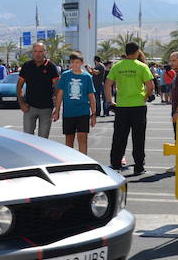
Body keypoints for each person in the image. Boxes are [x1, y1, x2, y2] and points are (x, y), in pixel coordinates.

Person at [105, 42, 154, 175]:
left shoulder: (117, 66)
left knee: (119, 137)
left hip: (121, 106)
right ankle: (139, 166)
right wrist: (145, 96)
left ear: (126, 52)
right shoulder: (142, 66)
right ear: (137, 52)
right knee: (138, 138)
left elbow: (107, 84)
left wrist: (110, 101)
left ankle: (115, 165)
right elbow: (150, 86)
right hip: (138, 106)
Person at [53, 52, 96, 154]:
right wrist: (57, 110)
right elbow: (60, 94)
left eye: (77, 62)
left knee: (82, 138)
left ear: (82, 63)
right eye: (72, 62)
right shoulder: (65, 75)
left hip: (83, 112)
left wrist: (93, 113)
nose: (75, 65)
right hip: (69, 112)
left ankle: (84, 162)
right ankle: (70, 162)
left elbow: (91, 96)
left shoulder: (87, 77)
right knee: (69, 139)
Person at [17, 42, 60, 138]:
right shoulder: (27, 66)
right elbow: (19, 85)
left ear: (44, 52)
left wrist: (57, 109)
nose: (38, 54)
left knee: (43, 139)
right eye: (35, 51)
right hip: (29, 108)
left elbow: (58, 89)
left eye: (40, 51)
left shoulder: (51, 67)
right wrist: (21, 103)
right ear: (32, 52)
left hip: (46, 108)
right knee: (28, 139)